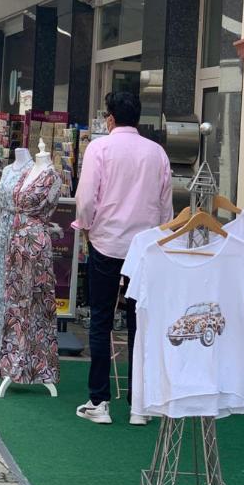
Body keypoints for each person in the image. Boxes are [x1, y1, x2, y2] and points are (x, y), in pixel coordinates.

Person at [73, 91, 173, 426]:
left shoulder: (100, 148)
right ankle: (139, 405)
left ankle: (99, 401)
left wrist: (85, 227)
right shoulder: (157, 153)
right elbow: (165, 206)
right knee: (139, 323)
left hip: (106, 242)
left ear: (110, 119)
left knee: (101, 319)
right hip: (144, 247)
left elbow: (86, 197)